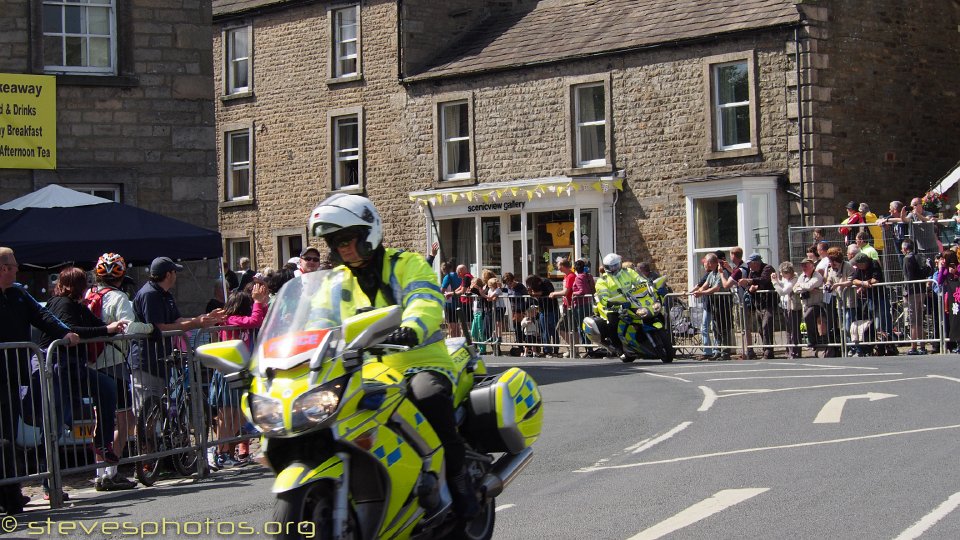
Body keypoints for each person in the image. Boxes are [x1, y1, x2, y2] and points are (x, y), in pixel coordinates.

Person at [306, 193, 478, 518]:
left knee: (428, 398)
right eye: (334, 241)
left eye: (347, 238)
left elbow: (424, 298)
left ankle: (459, 481)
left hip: (419, 362)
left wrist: (412, 327)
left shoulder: (407, 264)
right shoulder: (335, 282)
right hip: (365, 371)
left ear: (368, 233)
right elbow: (316, 321)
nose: (342, 247)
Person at [0, 247, 80, 513]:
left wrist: (65, 333)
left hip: (11, 377)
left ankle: (11, 493)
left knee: (7, 437)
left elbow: (43, 316)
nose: (17, 269)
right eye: (13, 266)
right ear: (3, 268)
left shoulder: (18, 294)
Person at [38, 267, 126, 500]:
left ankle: (102, 443)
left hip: (74, 368)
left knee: (106, 388)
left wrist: (111, 327)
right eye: (84, 282)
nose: (88, 285)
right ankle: (49, 486)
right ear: (75, 285)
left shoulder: (77, 306)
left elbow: (94, 324)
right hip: (56, 368)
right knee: (55, 424)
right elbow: (71, 329)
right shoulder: (61, 304)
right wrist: (106, 329)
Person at [86, 253, 153, 491]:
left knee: (101, 420)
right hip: (114, 361)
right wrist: (150, 328)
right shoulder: (119, 297)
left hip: (92, 363)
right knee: (126, 419)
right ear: (121, 275)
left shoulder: (90, 295)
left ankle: (100, 472)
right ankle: (111, 472)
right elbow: (129, 327)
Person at [132, 257, 225, 421]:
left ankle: (165, 442)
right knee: (146, 414)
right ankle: (148, 445)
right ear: (168, 274)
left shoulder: (165, 294)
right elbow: (160, 328)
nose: (177, 276)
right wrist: (195, 323)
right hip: (147, 360)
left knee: (160, 408)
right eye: (175, 272)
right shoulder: (150, 294)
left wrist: (201, 318)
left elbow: (177, 321)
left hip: (161, 359)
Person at [213, 283, 269, 468]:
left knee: (240, 414)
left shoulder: (242, 318)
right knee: (226, 414)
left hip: (241, 371)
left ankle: (227, 450)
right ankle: (221, 453)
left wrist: (262, 302)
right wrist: (257, 303)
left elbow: (263, 318)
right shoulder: (231, 320)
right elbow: (255, 320)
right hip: (227, 370)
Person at [593, 253, 644, 360]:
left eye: (616, 265)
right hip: (614, 308)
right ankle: (619, 348)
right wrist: (613, 303)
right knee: (613, 325)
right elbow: (604, 298)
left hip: (632, 302)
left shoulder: (628, 272)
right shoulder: (602, 281)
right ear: (606, 267)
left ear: (620, 264)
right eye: (611, 266)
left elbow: (640, 280)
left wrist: (649, 284)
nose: (614, 268)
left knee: (647, 314)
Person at [691, 253, 731, 361]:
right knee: (715, 328)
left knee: (723, 328)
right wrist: (697, 292)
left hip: (723, 304)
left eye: (706, 262)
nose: (705, 264)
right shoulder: (711, 273)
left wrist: (701, 293)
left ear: (709, 263)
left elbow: (716, 288)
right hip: (714, 304)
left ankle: (726, 352)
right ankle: (717, 351)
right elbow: (705, 285)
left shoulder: (721, 272)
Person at [738, 253, 776, 359]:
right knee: (760, 328)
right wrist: (749, 288)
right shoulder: (752, 272)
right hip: (758, 304)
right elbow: (749, 286)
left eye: (750, 263)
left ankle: (768, 351)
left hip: (768, 302)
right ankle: (766, 349)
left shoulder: (767, 268)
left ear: (756, 262)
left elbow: (764, 280)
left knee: (766, 326)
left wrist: (750, 282)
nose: (749, 265)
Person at [901, 239, 928, 355]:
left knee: (913, 320)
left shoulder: (907, 258)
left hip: (912, 291)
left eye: (902, 248)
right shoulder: (918, 256)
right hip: (921, 290)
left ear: (906, 249)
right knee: (919, 319)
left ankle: (914, 347)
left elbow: (908, 276)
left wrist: (905, 292)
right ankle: (922, 346)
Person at [794, 258, 825, 353]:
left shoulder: (817, 276)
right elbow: (795, 289)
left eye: (806, 265)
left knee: (808, 316)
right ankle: (814, 340)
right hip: (805, 304)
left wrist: (802, 286)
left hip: (817, 304)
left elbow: (809, 286)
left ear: (812, 266)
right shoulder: (802, 276)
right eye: (802, 265)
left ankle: (813, 340)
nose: (804, 267)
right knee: (808, 319)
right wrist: (805, 287)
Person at [771, 262, 802, 359]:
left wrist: (774, 282)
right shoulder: (786, 279)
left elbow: (783, 291)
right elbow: (783, 285)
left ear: (788, 273)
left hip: (793, 307)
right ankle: (789, 351)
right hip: (785, 306)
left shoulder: (794, 280)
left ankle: (795, 351)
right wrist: (777, 280)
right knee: (788, 330)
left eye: (782, 273)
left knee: (794, 331)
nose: (781, 275)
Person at [549, 259, 576, 354]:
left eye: (558, 265)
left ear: (563, 266)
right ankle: (573, 349)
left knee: (560, 327)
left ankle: (573, 348)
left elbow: (565, 292)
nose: (557, 267)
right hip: (567, 305)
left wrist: (554, 293)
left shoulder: (571, 276)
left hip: (570, 306)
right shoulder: (566, 276)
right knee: (570, 328)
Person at [572, 259, 596, 351]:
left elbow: (582, 291)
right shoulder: (589, 276)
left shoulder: (579, 277)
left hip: (580, 305)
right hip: (588, 303)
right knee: (588, 325)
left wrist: (574, 293)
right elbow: (592, 290)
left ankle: (588, 348)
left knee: (582, 326)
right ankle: (589, 348)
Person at [439, 261, 461, 337]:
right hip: (459, 303)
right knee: (457, 326)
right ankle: (459, 344)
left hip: (449, 303)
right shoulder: (458, 275)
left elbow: (442, 290)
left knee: (451, 326)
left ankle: (452, 343)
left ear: (443, 269)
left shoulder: (447, 276)